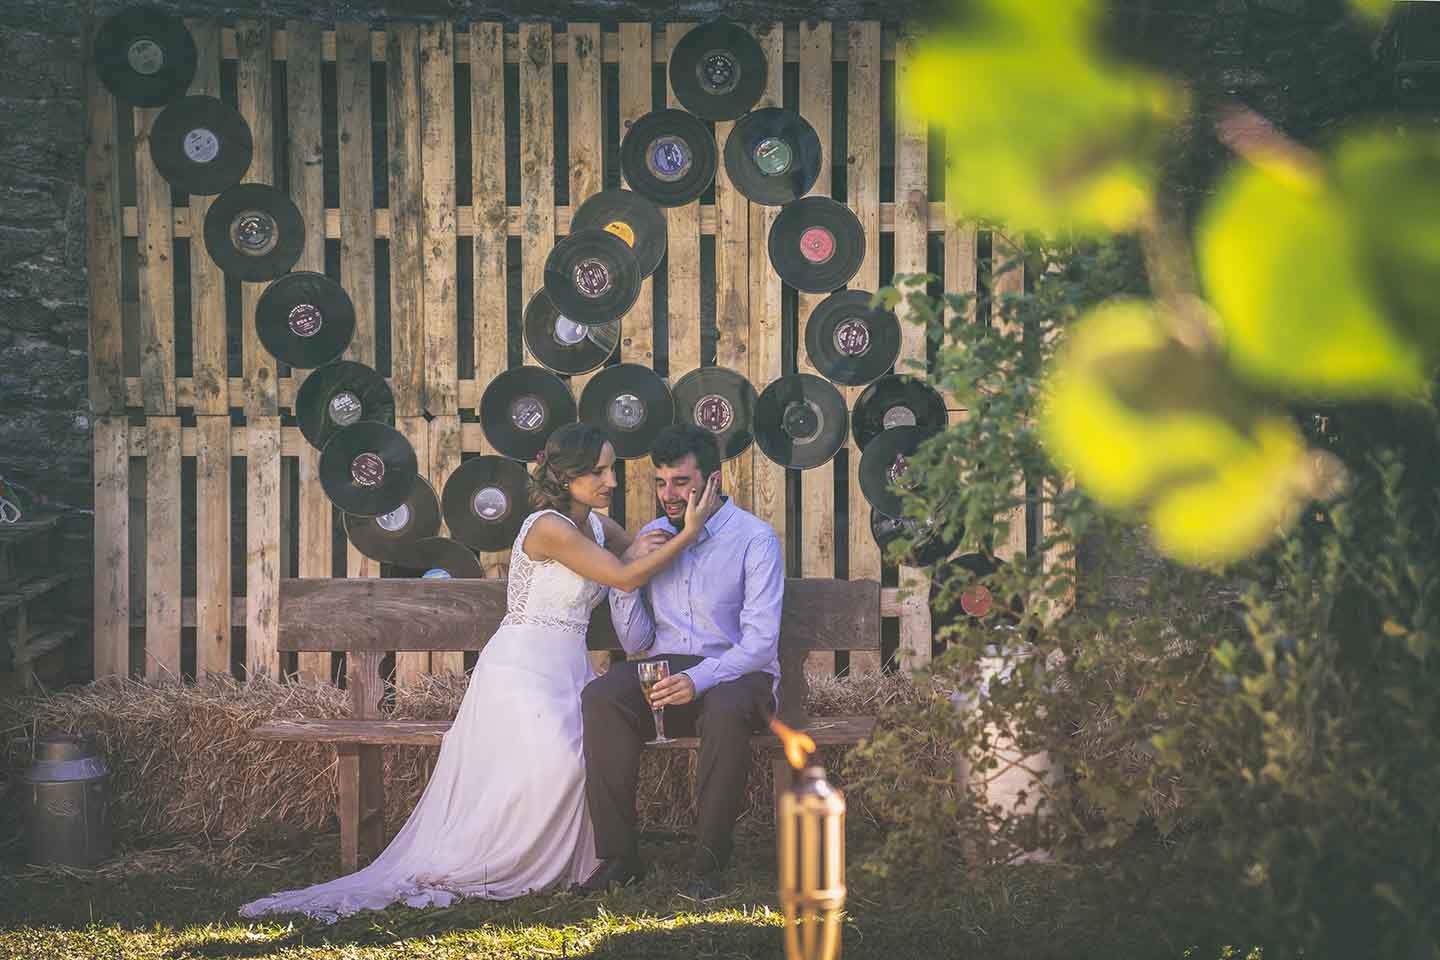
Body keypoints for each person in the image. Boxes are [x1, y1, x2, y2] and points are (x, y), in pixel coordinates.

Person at [239, 423, 722, 922]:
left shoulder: (599, 527)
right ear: (567, 475)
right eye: (598, 471)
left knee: (584, 759)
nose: (612, 481)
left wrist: (670, 536)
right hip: (523, 666)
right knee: (559, 760)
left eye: (611, 469)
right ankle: (502, 860)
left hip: (569, 666)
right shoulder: (547, 527)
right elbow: (623, 574)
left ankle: (570, 861)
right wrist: (686, 535)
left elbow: (629, 552)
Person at [576, 424, 784, 901]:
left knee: (726, 708)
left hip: (737, 674)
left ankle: (708, 861)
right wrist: (626, 570)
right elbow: (637, 642)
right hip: (667, 670)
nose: (668, 495)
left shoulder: (755, 540)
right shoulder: (654, 536)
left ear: (712, 481)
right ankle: (619, 857)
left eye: (681, 483)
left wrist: (698, 678)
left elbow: (760, 644)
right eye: (660, 482)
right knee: (602, 696)